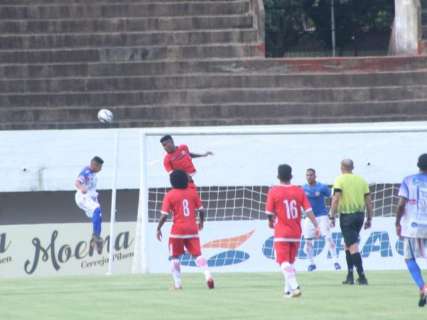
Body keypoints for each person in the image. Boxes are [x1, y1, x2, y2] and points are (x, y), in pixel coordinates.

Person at [265, 164, 320, 298]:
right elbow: (308, 211)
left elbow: (269, 213)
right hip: (296, 232)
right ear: (291, 176)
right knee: (289, 263)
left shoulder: (273, 191)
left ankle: (295, 287)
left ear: (278, 177)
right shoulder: (299, 190)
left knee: (283, 262)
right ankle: (287, 291)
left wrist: (270, 222)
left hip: (282, 232)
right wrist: (316, 225)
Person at [156, 169, 214, 290]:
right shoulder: (193, 193)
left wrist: (158, 228)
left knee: (174, 257)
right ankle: (207, 274)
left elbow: (164, 215)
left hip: (178, 230)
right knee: (197, 255)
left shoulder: (170, 195)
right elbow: (202, 210)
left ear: (172, 182)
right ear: (185, 180)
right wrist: (201, 222)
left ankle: (177, 284)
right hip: (192, 229)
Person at [329, 159, 373, 285]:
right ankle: (350, 275)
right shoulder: (362, 180)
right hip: (360, 215)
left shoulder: (339, 180)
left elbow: (336, 199)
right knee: (347, 245)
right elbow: (368, 202)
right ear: (352, 167)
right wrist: (369, 218)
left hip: (347, 216)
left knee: (352, 246)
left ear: (342, 167)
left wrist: (332, 216)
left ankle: (362, 276)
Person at [395, 153, 427, 307]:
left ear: (418, 165)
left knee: (409, 258)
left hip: (412, 227)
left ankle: (422, 286)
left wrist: (397, 223)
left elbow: (401, 205)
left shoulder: (408, 180)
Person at [303, 168, 340, 272]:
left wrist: (332, 214)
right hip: (309, 218)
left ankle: (335, 262)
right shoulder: (303, 188)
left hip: (322, 216)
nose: (309, 177)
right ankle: (311, 264)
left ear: (315, 176)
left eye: (311, 175)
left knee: (328, 238)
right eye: (307, 175)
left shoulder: (322, 187)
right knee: (307, 242)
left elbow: (333, 196)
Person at [75, 156, 104, 254]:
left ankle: (96, 239)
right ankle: (95, 237)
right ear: (94, 165)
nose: (101, 169)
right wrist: (81, 187)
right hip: (83, 197)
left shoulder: (92, 173)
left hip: (91, 198)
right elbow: (77, 182)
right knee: (96, 210)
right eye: (100, 167)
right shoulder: (87, 172)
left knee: (99, 216)